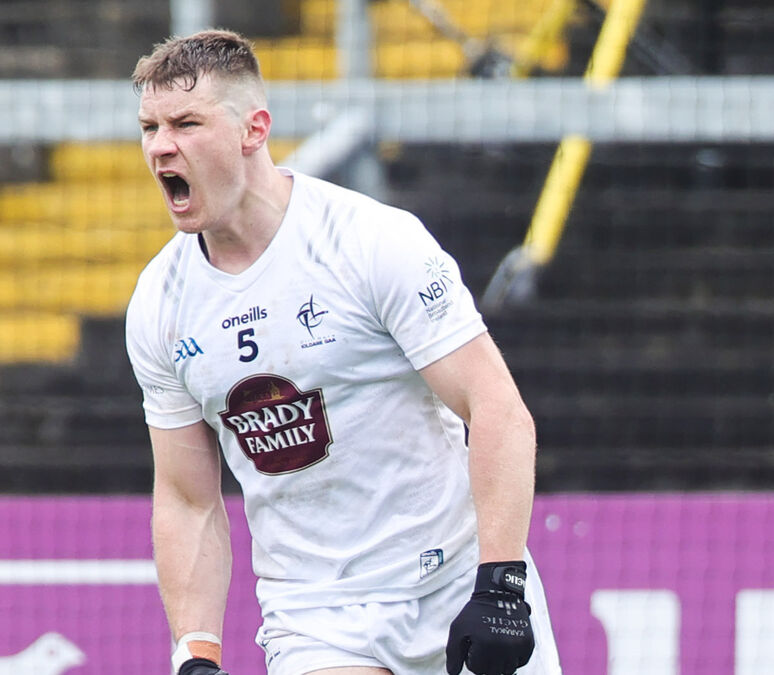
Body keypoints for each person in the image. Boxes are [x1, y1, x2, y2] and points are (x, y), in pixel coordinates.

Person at [125, 29, 563, 675]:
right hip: (316, 616)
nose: (161, 145)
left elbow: (496, 406)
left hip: (456, 580)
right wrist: (196, 649)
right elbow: (188, 497)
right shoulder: (159, 304)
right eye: (150, 127)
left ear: (253, 130)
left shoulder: (371, 242)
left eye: (186, 123)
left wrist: (500, 581)